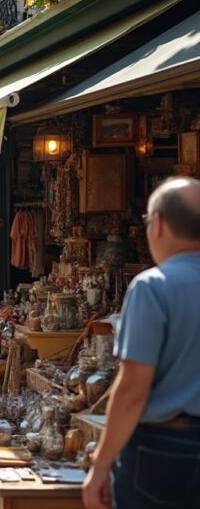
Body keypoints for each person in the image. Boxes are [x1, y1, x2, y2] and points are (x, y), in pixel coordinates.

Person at [82, 177, 200, 509]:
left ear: (158, 225)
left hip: (165, 450)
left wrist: (101, 464)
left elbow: (133, 389)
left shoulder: (153, 286)